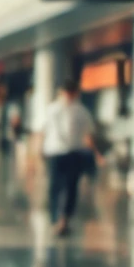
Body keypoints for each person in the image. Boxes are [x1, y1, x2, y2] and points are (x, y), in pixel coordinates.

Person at [35, 83, 97, 237]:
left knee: (70, 187)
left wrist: (95, 153)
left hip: (74, 152)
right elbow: (42, 131)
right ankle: (57, 219)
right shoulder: (52, 110)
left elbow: (88, 136)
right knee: (55, 186)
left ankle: (64, 219)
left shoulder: (81, 111)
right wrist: (39, 149)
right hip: (55, 151)